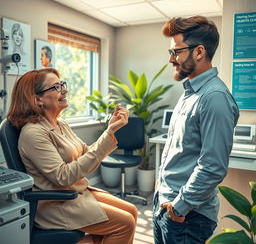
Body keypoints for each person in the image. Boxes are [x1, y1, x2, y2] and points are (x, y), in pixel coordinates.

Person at [7, 68, 137, 244]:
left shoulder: (61, 124)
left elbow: (86, 152)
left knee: (132, 211)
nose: (64, 90)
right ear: (37, 99)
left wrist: (110, 130)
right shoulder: (33, 133)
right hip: (57, 203)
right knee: (125, 223)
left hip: (77, 192)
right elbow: (63, 176)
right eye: (56, 87)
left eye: (62, 84)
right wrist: (107, 135)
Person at [153, 16, 239, 244]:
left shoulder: (214, 98)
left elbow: (212, 167)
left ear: (199, 51)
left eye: (176, 52)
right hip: (167, 203)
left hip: (187, 216)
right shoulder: (190, 92)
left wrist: (178, 209)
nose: (171, 59)